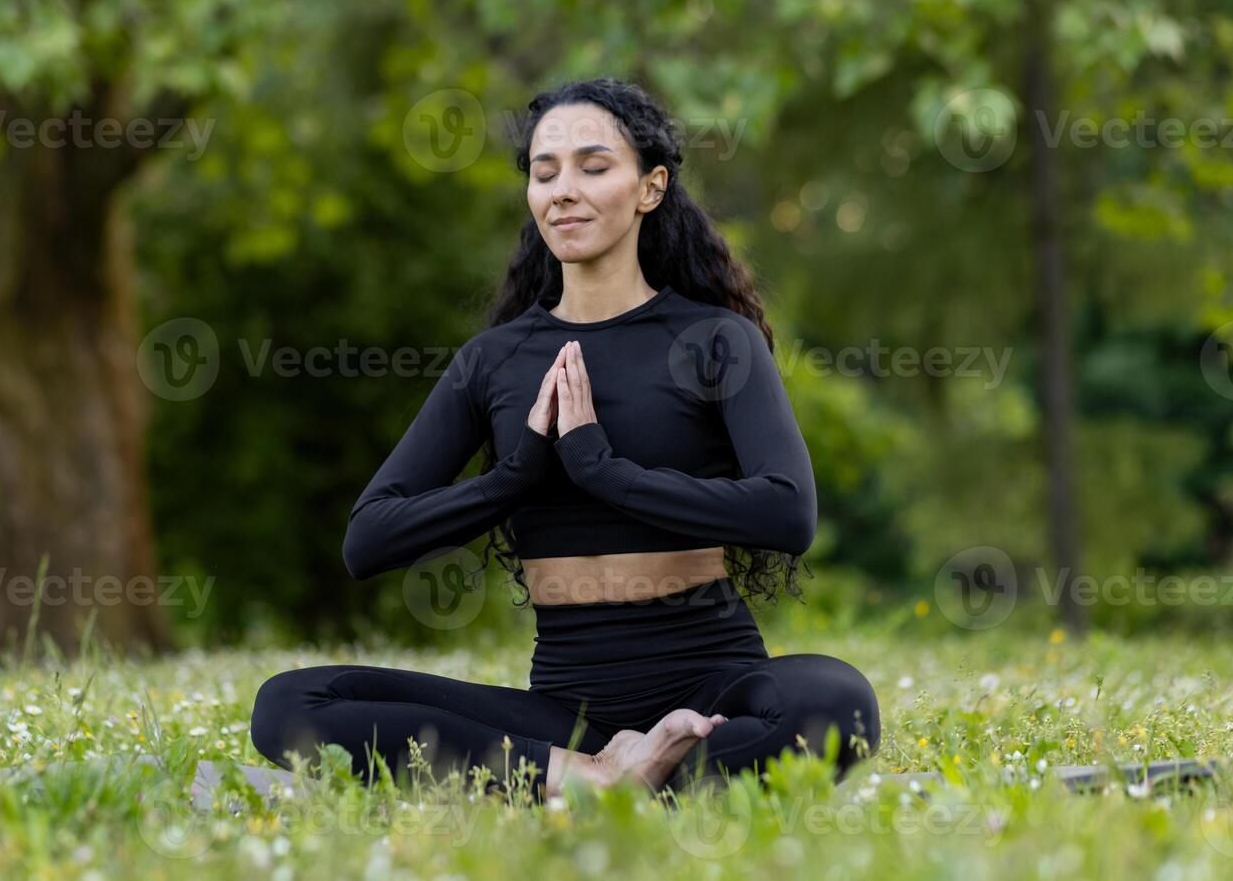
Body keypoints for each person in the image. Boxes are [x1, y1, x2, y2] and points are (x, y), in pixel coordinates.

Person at [251, 76, 881, 801]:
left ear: (650, 187)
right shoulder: (495, 361)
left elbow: (787, 513)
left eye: (593, 166)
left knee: (838, 703)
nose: (563, 190)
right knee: (291, 704)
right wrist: (511, 479)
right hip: (565, 713)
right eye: (543, 173)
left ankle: (624, 773)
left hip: (714, 686)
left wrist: (604, 470)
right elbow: (368, 540)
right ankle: (590, 776)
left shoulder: (715, 341)